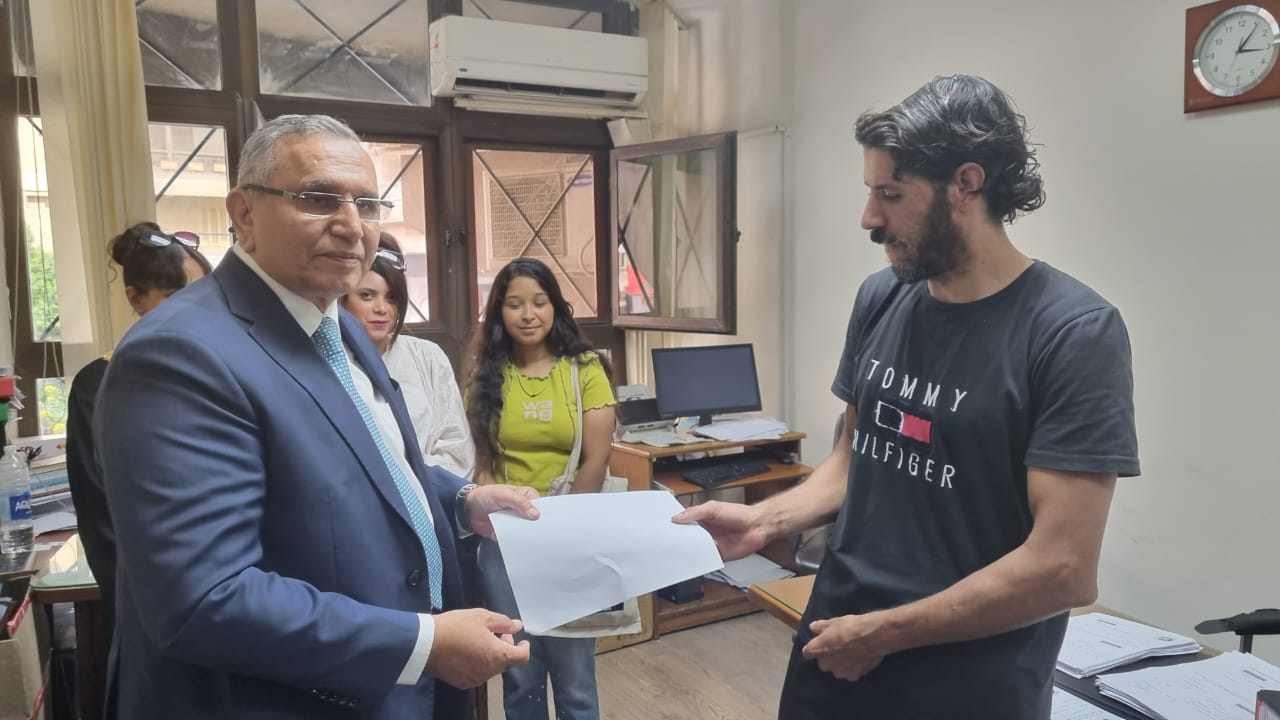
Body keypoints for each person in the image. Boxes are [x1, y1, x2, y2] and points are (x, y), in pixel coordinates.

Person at [677, 75, 1140, 720]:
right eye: (871, 192)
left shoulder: (1072, 332)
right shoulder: (881, 297)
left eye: (890, 195)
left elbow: (1062, 567)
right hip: (835, 642)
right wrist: (764, 522)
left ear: (967, 184)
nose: (869, 218)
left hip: (968, 681)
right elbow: (853, 455)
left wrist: (886, 633)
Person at [94, 114, 540, 719]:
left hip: (398, 688)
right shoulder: (180, 352)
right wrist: (420, 644)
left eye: (368, 204)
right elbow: (205, 599)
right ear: (244, 213)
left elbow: (363, 462)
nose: (352, 226)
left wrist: (461, 500)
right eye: (318, 199)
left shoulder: (334, 323)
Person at [464, 257, 617, 720]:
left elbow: (596, 458)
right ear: (499, 311)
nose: (528, 314)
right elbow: (481, 460)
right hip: (505, 539)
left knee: (575, 679)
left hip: (570, 537)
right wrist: (504, 519)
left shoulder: (585, 368)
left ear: (555, 307)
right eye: (514, 304)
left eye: (539, 302)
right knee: (520, 674)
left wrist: (561, 527)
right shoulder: (487, 373)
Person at [65, 223, 212, 647]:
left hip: (231, 595)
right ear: (135, 299)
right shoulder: (99, 384)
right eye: (174, 295)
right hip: (152, 608)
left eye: (205, 295)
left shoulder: (218, 373)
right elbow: (101, 517)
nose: (195, 309)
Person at [341, 232, 474, 479]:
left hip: (433, 494)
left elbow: (458, 451)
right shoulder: (330, 361)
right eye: (367, 295)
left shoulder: (428, 357)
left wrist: (413, 482)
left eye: (392, 298)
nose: (382, 309)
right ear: (344, 299)